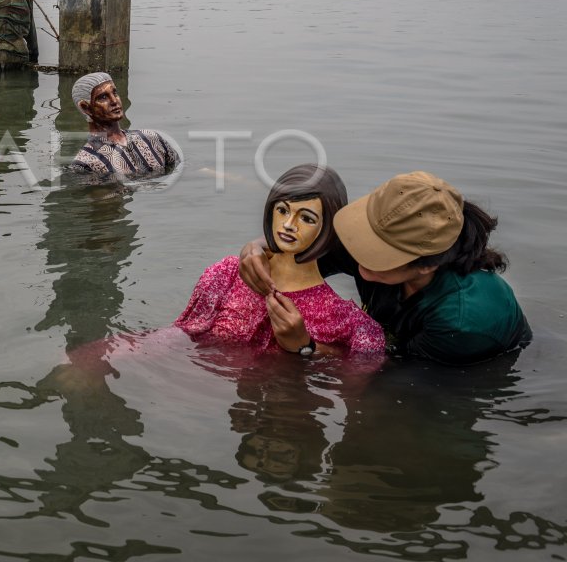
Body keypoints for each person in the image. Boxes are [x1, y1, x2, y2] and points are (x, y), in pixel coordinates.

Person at [239, 170, 532, 366]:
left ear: (427, 265)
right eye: (364, 242)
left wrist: (307, 347)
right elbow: (304, 253)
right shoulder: (371, 249)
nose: (360, 259)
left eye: (378, 257)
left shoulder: (463, 322)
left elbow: (391, 375)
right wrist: (257, 248)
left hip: (461, 368)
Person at [176, 164, 385, 357]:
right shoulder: (227, 273)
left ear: (329, 229)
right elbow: (182, 334)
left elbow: (363, 373)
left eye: (306, 218)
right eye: (282, 210)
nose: (288, 224)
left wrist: (307, 347)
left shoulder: (351, 323)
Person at [67, 72, 180, 182]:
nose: (114, 101)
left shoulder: (152, 138)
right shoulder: (85, 164)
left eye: (115, 93)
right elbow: (100, 199)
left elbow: (181, 170)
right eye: (103, 97)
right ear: (86, 108)